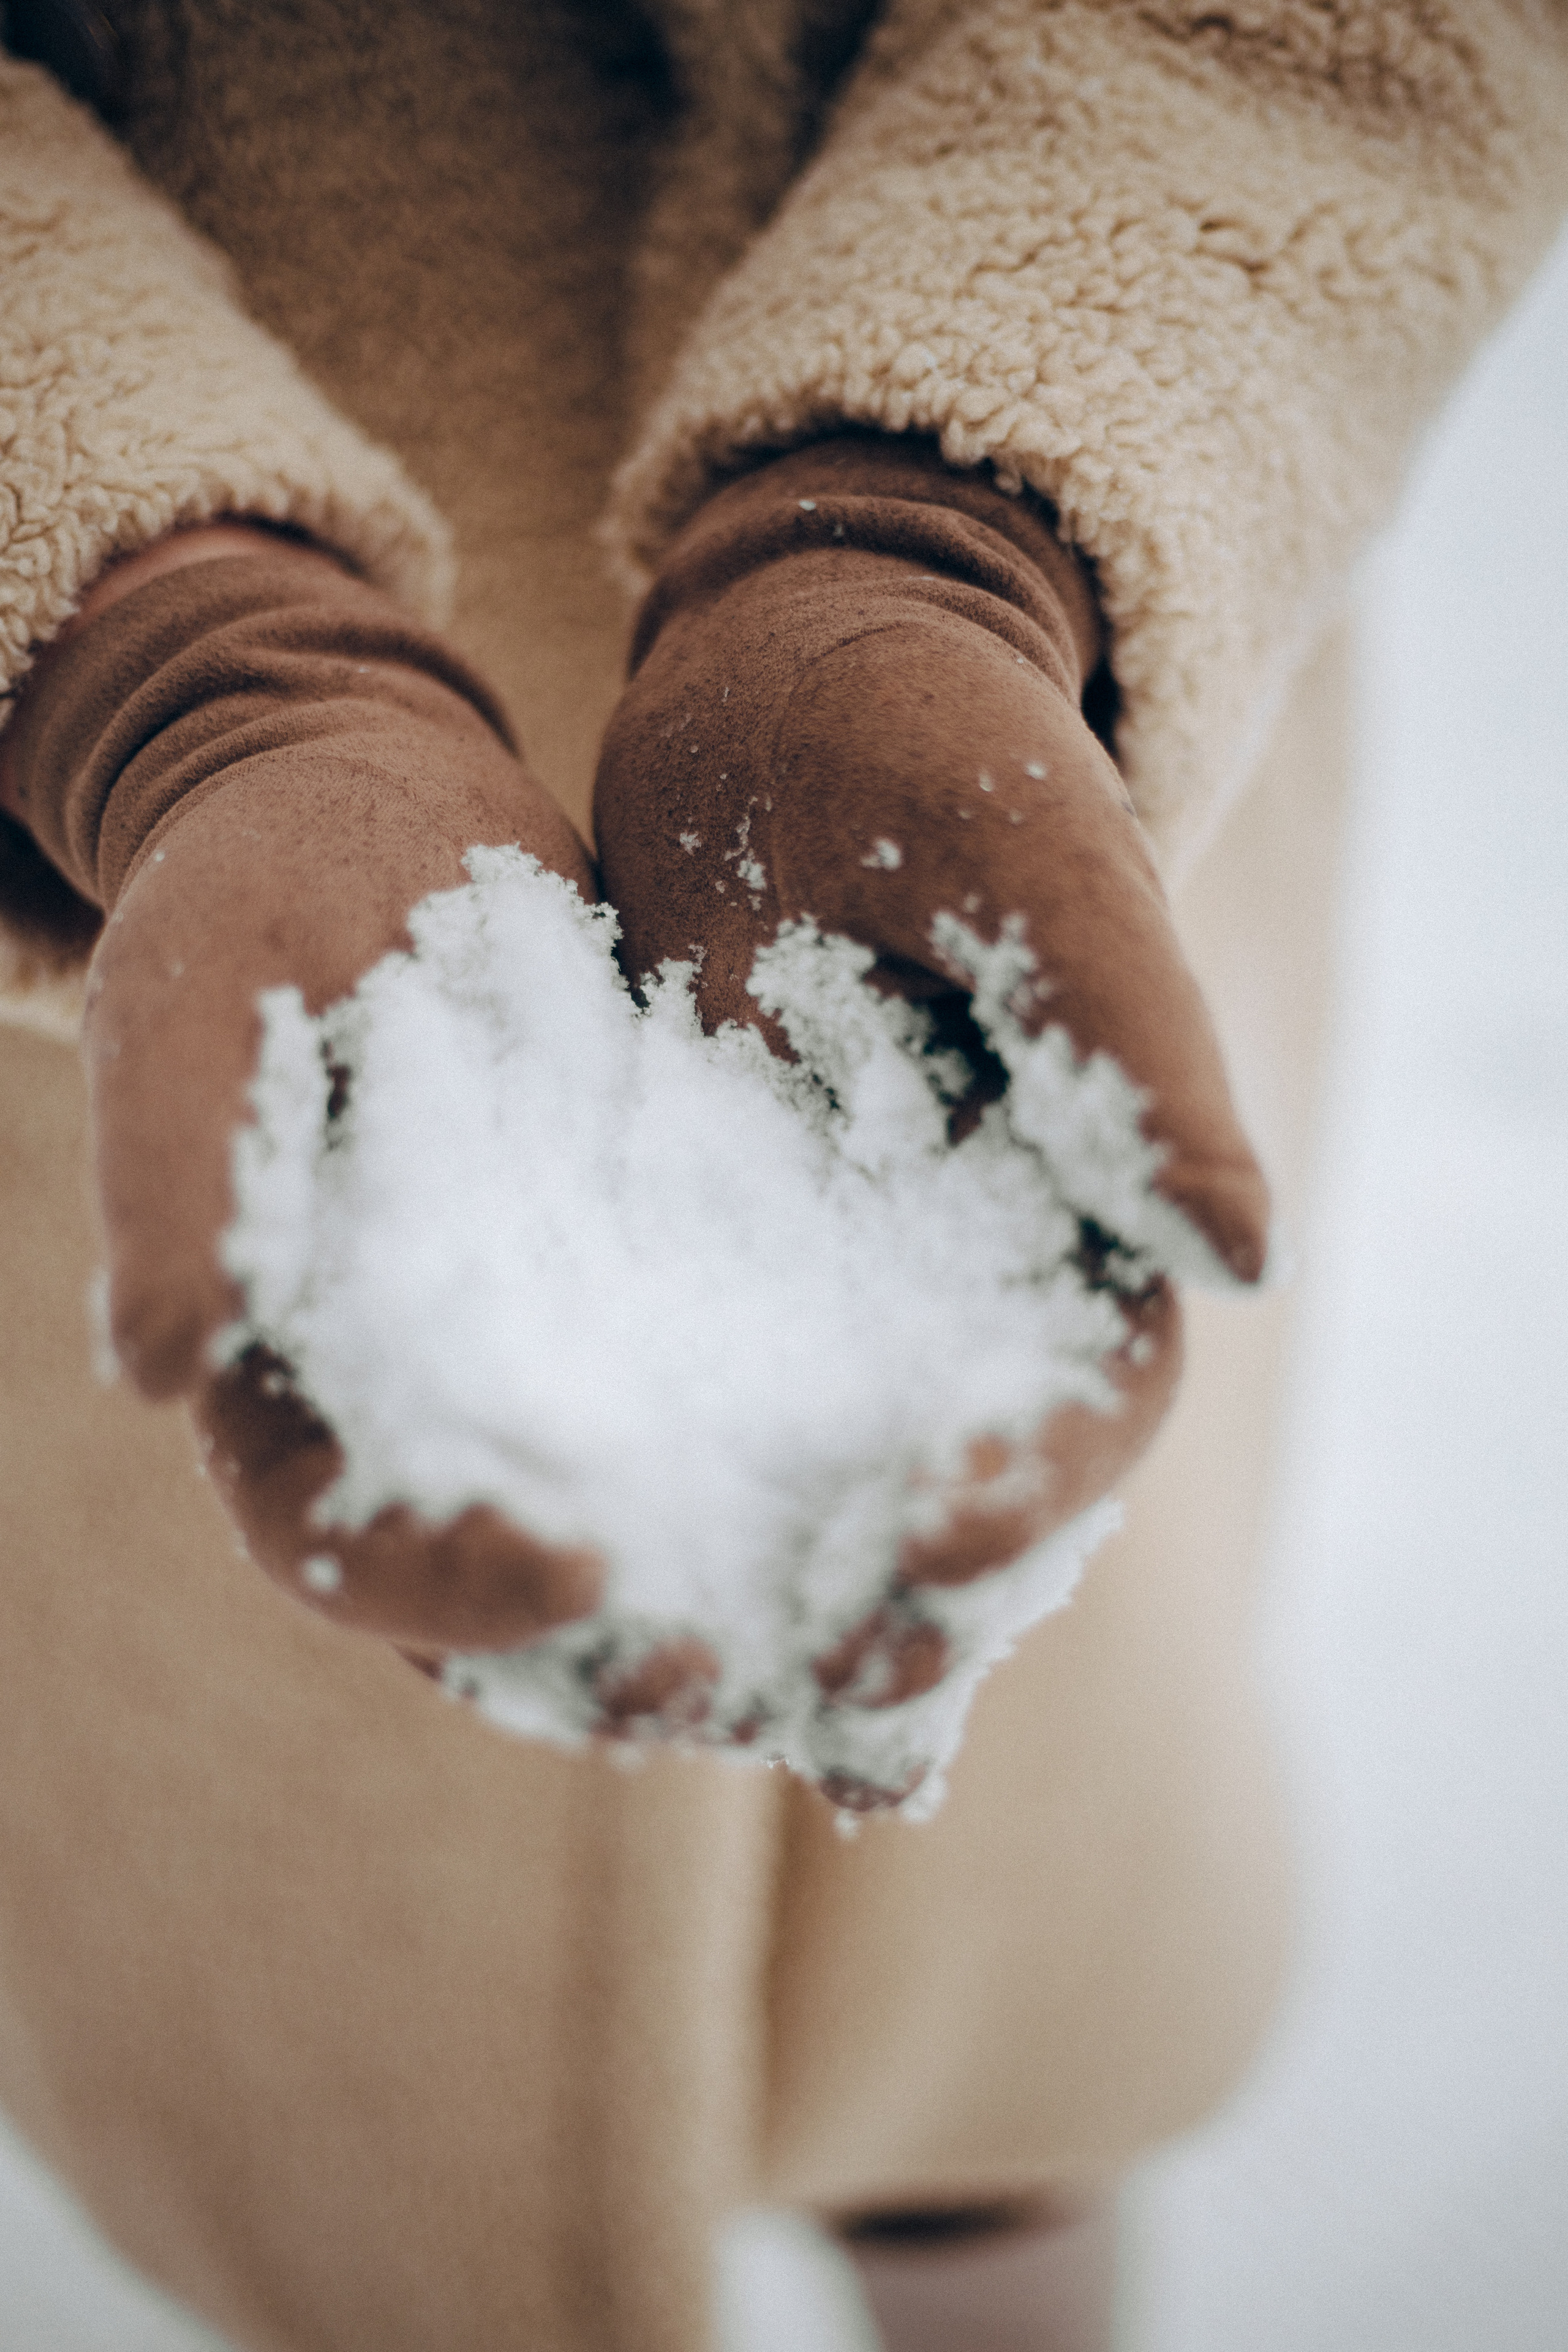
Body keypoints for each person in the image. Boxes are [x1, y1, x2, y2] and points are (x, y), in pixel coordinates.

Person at [0, 5, 1562, 2347]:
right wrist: (161, 664)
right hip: (148, 951)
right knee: (363, 2062)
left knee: (1017, 1956)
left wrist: (947, 533)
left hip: (1016, 784)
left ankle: (991, 2245)